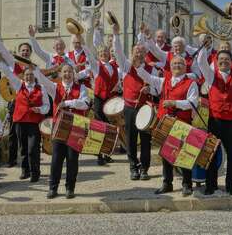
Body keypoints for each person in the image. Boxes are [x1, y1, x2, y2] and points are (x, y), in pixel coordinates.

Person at [136, 55, 199, 197]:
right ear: (170, 67)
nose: (177, 66)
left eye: (180, 64)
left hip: (182, 123)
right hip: (165, 123)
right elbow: (149, 78)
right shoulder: (165, 80)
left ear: (185, 67)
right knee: (166, 154)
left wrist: (174, 103)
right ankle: (167, 183)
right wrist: (138, 66)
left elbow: (193, 102)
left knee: (184, 154)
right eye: (174, 63)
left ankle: (187, 185)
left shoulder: (191, 83)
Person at [198, 43, 232, 196]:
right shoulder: (211, 75)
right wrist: (205, 47)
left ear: (231, 61)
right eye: (221, 59)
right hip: (215, 121)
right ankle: (210, 185)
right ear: (216, 60)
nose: (224, 62)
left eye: (227, 59)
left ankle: (231, 186)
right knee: (211, 154)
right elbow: (201, 62)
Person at [34, 64, 90, 199]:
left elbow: (85, 104)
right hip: (59, 126)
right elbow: (41, 79)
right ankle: (53, 188)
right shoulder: (54, 87)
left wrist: (68, 103)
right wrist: (34, 68)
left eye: (70, 71)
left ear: (73, 74)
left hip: (76, 126)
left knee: (72, 159)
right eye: (64, 72)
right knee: (56, 159)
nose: (67, 74)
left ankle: (70, 188)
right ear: (60, 74)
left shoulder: (81, 87)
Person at [112, 23, 154, 180]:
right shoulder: (126, 65)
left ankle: (144, 168)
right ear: (132, 53)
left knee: (145, 140)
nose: (138, 54)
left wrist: (150, 90)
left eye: (141, 51)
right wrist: (116, 35)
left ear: (145, 54)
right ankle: (133, 167)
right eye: (136, 51)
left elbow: (157, 86)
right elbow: (117, 52)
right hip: (129, 107)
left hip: (145, 109)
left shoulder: (151, 69)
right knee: (130, 138)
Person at [0, 62, 50, 182]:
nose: (28, 77)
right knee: (23, 148)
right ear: (23, 76)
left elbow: (47, 105)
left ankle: (35, 172)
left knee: (33, 148)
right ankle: (25, 170)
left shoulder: (41, 88)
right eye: (26, 75)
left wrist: (40, 109)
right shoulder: (18, 85)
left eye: (31, 74)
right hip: (20, 121)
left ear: (34, 76)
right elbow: (7, 72)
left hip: (34, 122)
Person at [0, 25, 32, 168]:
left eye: (27, 51)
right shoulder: (14, 64)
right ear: (19, 52)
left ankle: (29, 161)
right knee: (13, 133)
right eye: (23, 51)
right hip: (15, 102)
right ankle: (12, 159)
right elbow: (2, 50)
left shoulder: (34, 68)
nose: (25, 53)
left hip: (30, 106)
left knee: (27, 135)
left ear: (30, 53)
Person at [82, 41, 118, 165]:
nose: (104, 54)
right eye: (101, 53)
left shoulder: (114, 66)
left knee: (109, 128)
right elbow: (89, 56)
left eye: (106, 52)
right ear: (98, 55)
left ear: (109, 54)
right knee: (99, 127)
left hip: (110, 100)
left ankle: (107, 153)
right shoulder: (96, 66)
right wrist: (83, 43)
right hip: (99, 99)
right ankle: (99, 156)